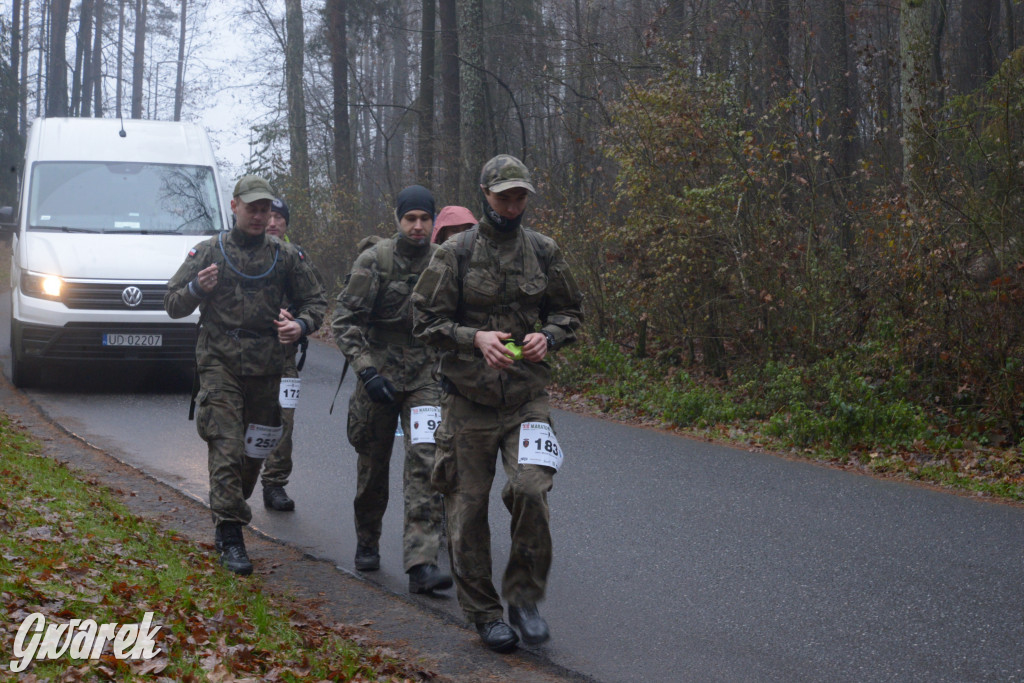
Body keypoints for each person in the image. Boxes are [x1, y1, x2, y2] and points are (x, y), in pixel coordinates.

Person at [411, 155, 584, 652]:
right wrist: (474, 338)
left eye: (520, 195)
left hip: (526, 398)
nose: (513, 204)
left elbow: (571, 312)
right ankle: (485, 613)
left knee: (531, 489)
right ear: (485, 193)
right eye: (504, 194)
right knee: (466, 509)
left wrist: (549, 337)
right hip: (468, 401)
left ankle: (523, 598)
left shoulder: (544, 251)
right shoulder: (455, 254)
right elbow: (424, 323)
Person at [164, 176, 326, 576]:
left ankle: (233, 508)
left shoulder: (287, 257)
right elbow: (172, 303)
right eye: (251, 208)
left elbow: (316, 302)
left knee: (254, 452)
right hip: (219, 361)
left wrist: (300, 326)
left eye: (265, 209)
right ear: (234, 206)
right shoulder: (208, 252)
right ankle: (231, 535)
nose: (259, 216)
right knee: (226, 443)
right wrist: (197, 290)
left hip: (268, 365)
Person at [332, 184, 453, 595]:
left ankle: (421, 562)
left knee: (426, 462)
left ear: (433, 221)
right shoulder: (375, 260)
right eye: (410, 218)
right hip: (378, 377)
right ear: (398, 220)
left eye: (424, 218)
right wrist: (366, 372)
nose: (417, 226)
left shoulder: (445, 262)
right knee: (373, 467)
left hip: (424, 378)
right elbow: (344, 321)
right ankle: (367, 540)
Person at [260, 197, 319, 512]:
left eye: (279, 218)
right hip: (243, 356)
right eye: (268, 216)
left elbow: (315, 300)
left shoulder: (296, 257)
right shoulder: (239, 251)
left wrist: (297, 321)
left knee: (284, 421)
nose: (272, 222)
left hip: (283, 357)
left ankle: (275, 484)